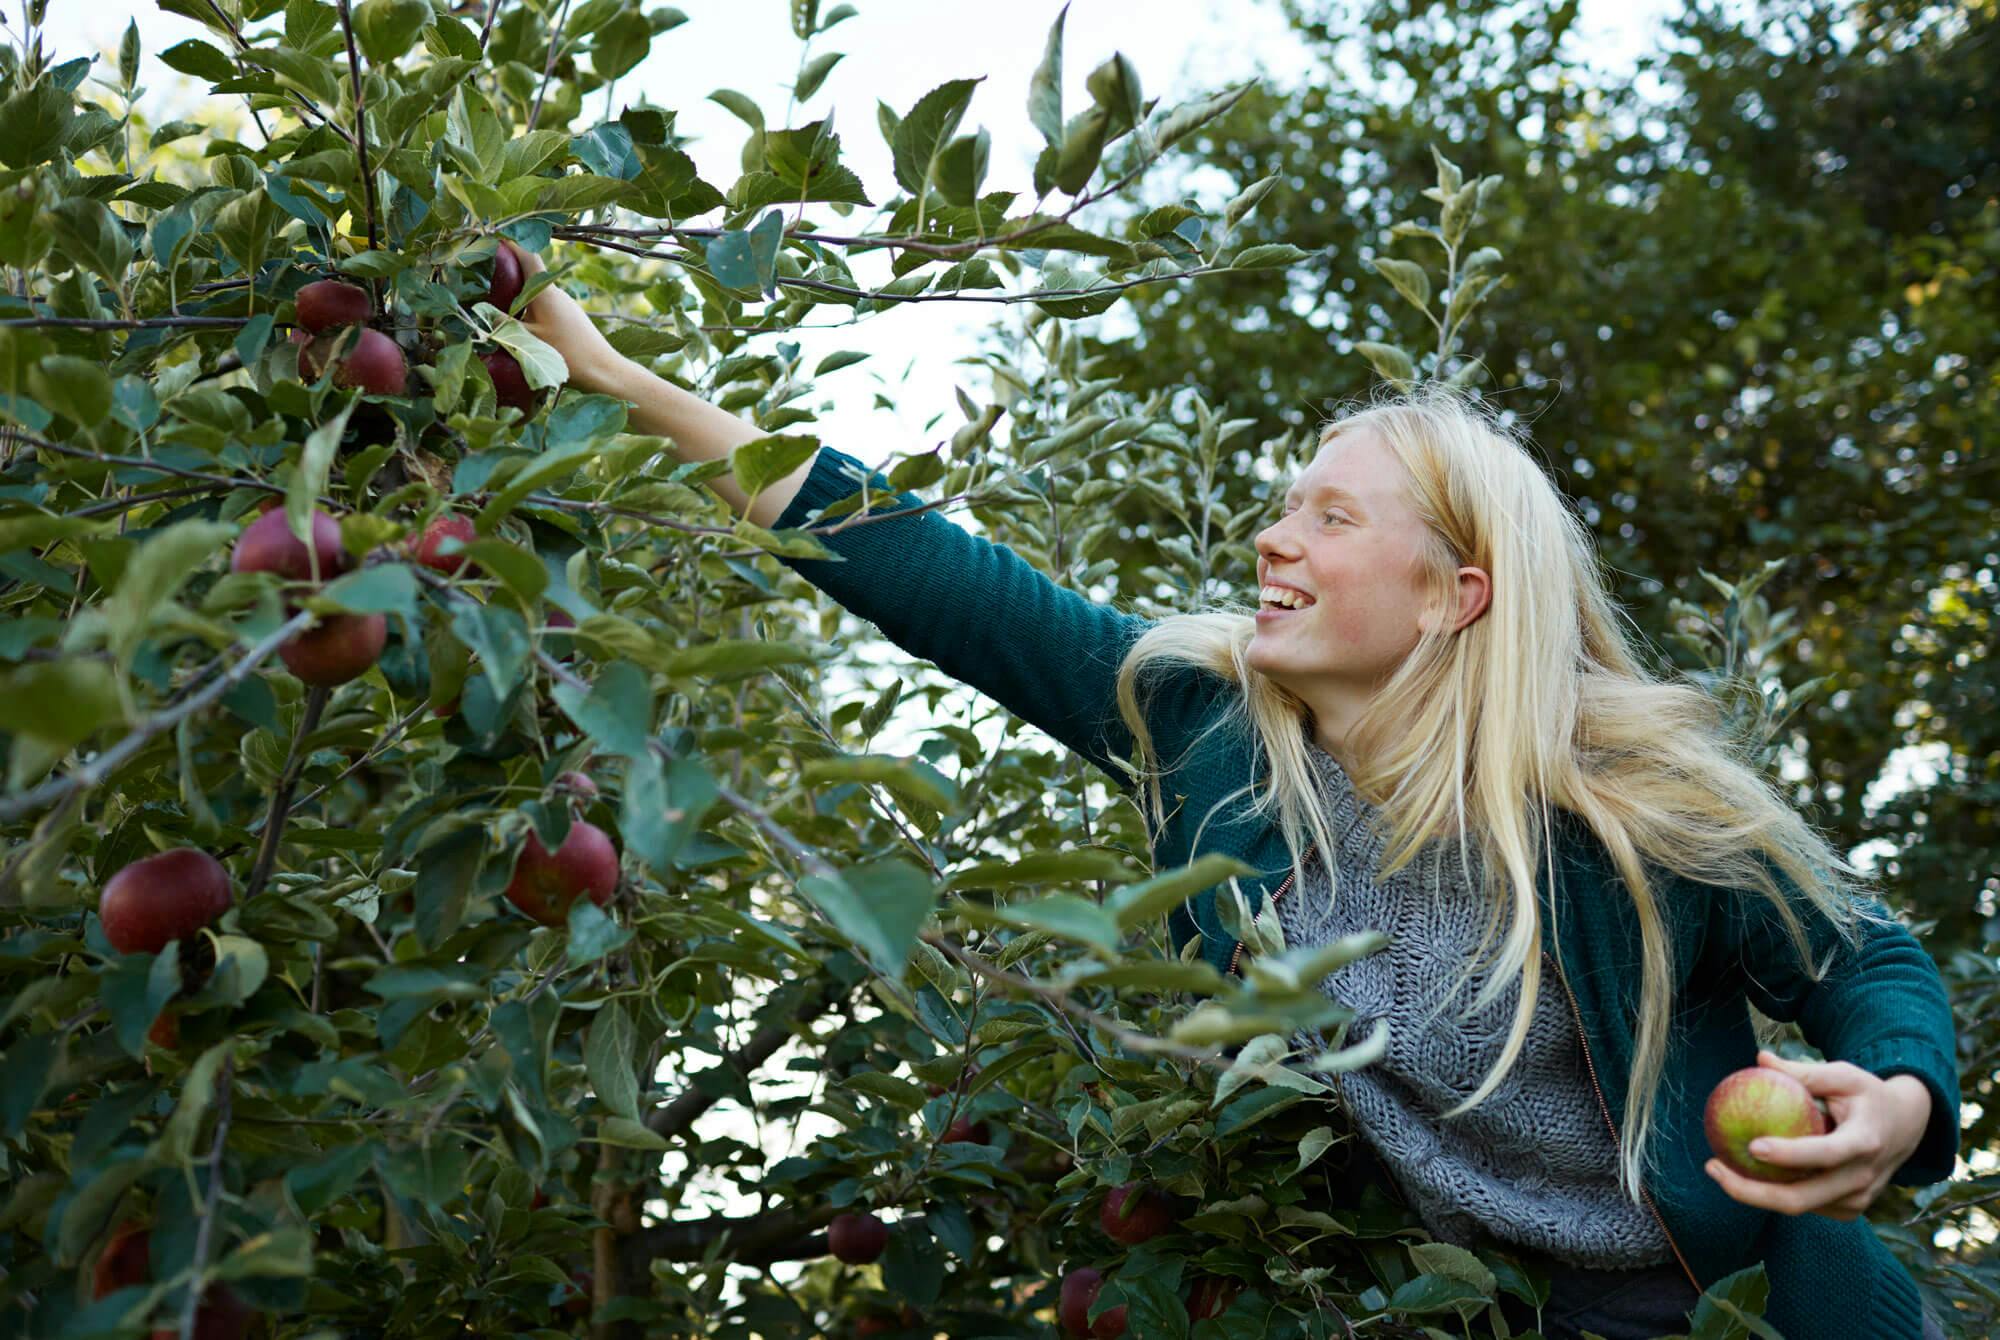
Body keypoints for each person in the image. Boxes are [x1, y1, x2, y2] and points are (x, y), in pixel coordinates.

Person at [505, 239, 1960, 1339]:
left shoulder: (1619, 803)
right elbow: (918, 564)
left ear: (1454, 595)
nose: (1275, 539)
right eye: (1282, 505)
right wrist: (619, 380)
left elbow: (1864, 958)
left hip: (1760, 1310)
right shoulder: (1209, 740)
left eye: (1331, 516)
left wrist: (1898, 1101)